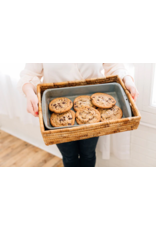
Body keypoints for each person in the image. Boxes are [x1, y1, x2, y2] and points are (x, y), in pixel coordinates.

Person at [17, 63, 139, 167]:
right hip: (57, 115)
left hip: (93, 113)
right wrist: (29, 92)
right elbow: (29, 74)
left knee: (89, 153)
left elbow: (114, 66)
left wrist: (127, 80)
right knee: (69, 157)